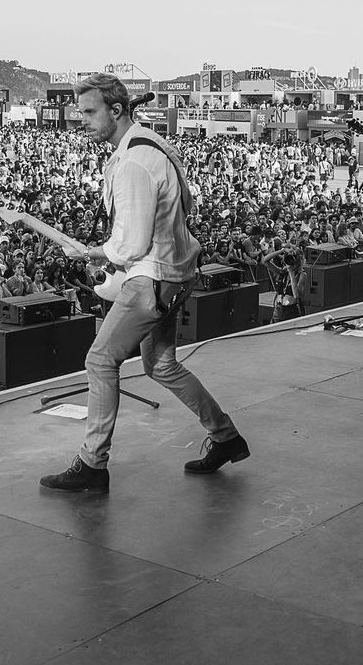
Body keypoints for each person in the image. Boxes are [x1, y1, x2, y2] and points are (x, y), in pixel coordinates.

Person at [39, 74, 248, 494]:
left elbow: (131, 244)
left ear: (116, 110)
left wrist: (96, 252)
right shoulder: (153, 144)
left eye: (89, 112)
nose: (81, 120)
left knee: (101, 360)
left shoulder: (133, 163)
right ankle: (226, 437)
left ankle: (92, 464)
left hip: (151, 277)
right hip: (176, 274)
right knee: (162, 365)